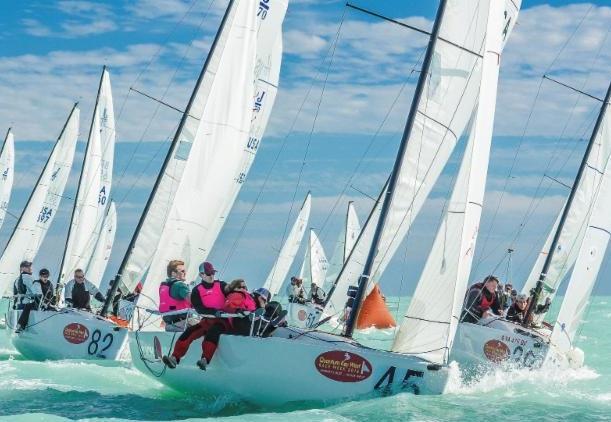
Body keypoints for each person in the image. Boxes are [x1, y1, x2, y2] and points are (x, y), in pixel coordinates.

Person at [161, 262, 227, 368]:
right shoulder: (196, 290)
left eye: (213, 273)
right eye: (208, 273)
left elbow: (234, 295)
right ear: (201, 275)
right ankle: (174, 358)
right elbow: (197, 306)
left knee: (213, 332)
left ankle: (205, 359)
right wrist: (212, 312)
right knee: (189, 332)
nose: (212, 276)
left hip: (222, 321)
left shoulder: (222, 285)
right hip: (206, 320)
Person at [198, 287, 281, 370]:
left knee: (268, 312)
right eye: (264, 300)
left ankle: (272, 324)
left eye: (266, 302)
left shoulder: (258, 308)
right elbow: (229, 305)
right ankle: (206, 359)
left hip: (247, 328)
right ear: (259, 297)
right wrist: (238, 310)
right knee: (215, 330)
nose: (265, 303)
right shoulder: (243, 296)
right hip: (235, 323)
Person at [158, 260, 192, 327]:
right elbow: (194, 300)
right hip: (184, 323)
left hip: (169, 324)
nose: (185, 273)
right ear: (173, 273)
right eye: (182, 271)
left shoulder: (163, 286)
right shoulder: (180, 285)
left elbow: (171, 306)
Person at [14, 260, 42, 332]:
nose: (30, 268)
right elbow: (36, 292)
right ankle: (22, 325)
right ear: (22, 268)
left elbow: (15, 293)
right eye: (27, 266)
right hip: (27, 305)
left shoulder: (17, 279)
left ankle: (19, 326)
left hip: (20, 305)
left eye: (30, 266)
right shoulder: (29, 277)